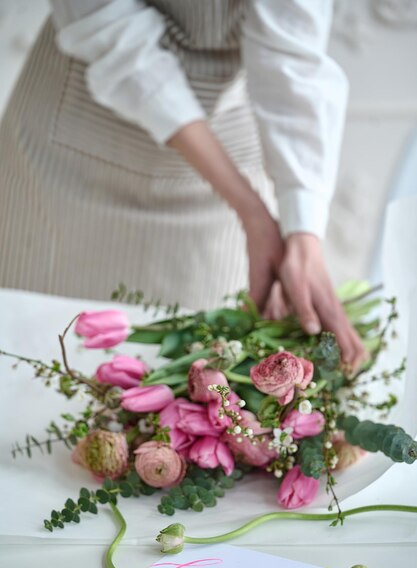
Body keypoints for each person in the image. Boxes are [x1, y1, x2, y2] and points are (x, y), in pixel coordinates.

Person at [0, 0, 365, 368]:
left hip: (226, 142)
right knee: (34, 355)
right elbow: (111, 32)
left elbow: (291, 56)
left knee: (192, 366)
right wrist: (252, 212)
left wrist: (303, 235)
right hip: (74, 141)